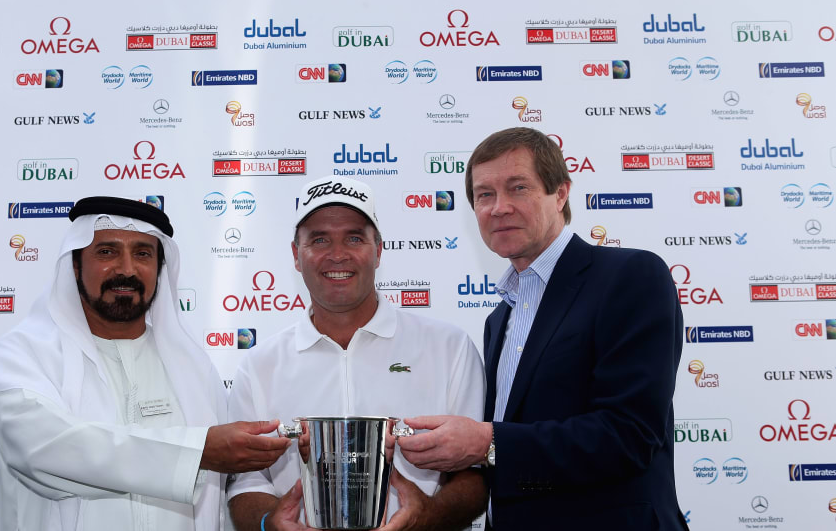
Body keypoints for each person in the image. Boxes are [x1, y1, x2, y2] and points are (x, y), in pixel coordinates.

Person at [397, 128, 689, 530]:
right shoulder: (498, 320)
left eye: (518, 188)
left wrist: (487, 443)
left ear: (561, 194)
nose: (499, 207)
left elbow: (631, 434)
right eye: (484, 195)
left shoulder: (630, 276)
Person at [0, 196, 291, 531]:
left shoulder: (193, 367)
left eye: (142, 253)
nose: (126, 269)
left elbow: (214, 505)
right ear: (76, 265)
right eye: (107, 252)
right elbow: (41, 450)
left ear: (159, 268)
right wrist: (198, 452)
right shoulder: (24, 355)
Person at [226, 176, 488, 531]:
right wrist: (270, 523)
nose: (337, 254)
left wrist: (429, 517)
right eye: (319, 239)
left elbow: (474, 474)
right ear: (296, 255)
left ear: (378, 250)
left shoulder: (450, 347)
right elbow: (247, 483)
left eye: (354, 237)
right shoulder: (259, 366)